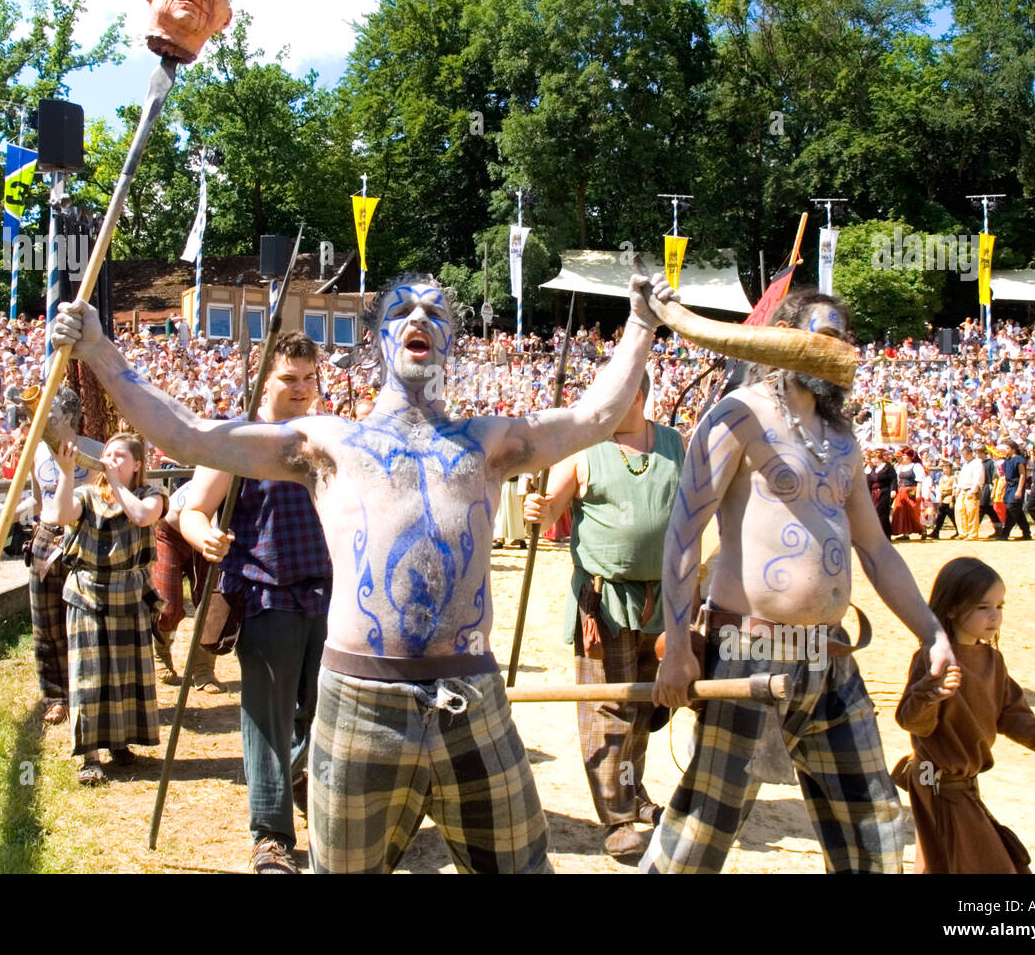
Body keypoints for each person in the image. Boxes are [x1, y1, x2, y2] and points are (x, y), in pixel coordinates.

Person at [50, 270, 674, 872]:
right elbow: (189, 436)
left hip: (472, 698)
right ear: (378, 338)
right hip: (360, 703)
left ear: (452, 342)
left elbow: (594, 415)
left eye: (436, 313)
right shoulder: (328, 444)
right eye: (404, 310)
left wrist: (641, 324)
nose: (420, 319)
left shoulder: (492, 443)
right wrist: (101, 350)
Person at [645, 288, 958, 874]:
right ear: (785, 339)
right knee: (701, 831)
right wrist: (678, 645)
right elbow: (684, 535)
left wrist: (931, 632)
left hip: (832, 660)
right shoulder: (738, 414)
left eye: (845, 338)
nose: (840, 349)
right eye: (824, 335)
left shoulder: (843, 438)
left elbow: (876, 547)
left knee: (875, 829)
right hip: (748, 656)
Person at [178, 332, 331, 875]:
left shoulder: (324, 437)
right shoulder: (238, 437)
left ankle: (297, 779)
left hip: (330, 596)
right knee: (266, 717)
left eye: (309, 378)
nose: (301, 389)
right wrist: (204, 537)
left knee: (324, 713)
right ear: (265, 378)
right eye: (290, 379)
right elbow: (192, 510)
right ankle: (271, 837)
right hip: (267, 593)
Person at [521, 367, 679, 861]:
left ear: (638, 396)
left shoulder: (676, 444)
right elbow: (550, 513)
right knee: (607, 709)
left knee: (645, 707)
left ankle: (634, 794)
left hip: (664, 601)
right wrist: (537, 507)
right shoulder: (583, 449)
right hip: (605, 602)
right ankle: (618, 817)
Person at [894, 557, 1035, 873]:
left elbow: (1012, 713)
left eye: (1000, 606)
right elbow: (912, 721)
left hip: (965, 785)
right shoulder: (932, 659)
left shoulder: (992, 661)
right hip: (937, 784)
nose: (994, 617)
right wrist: (933, 693)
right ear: (951, 608)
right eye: (982, 607)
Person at [50, 433, 165, 784]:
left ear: (137, 465)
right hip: (87, 592)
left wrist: (117, 484)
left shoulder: (151, 494)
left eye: (119, 456)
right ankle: (89, 757)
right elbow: (59, 515)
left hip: (129, 592)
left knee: (126, 673)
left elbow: (142, 517)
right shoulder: (86, 494)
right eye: (107, 455)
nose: (111, 460)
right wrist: (67, 473)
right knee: (90, 675)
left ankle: (120, 743)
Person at [27, 387, 103, 725]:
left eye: (50, 409)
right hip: (45, 540)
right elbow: (35, 502)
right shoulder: (35, 452)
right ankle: (56, 697)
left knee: (85, 624)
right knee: (47, 625)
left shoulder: (97, 453)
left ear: (68, 417)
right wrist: (1, 514)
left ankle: (88, 693)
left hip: (84, 542)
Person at [150, 482, 220, 689]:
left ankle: (204, 671)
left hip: (211, 538)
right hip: (171, 532)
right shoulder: (215, 479)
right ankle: (161, 656)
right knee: (167, 603)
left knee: (212, 604)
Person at [993, 440, 1031, 541]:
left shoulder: (1018, 460)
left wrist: (1019, 490)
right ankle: (1027, 533)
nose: (1005, 450)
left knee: (1011, 510)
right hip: (1009, 487)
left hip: (1016, 486)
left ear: (1013, 449)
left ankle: (1005, 533)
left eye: (1007, 448)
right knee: (1017, 512)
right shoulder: (1007, 461)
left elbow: (1022, 475)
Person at [957, 445, 984, 540]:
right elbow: (962, 477)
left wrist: (974, 490)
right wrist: (958, 488)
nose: (964, 457)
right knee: (960, 510)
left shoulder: (977, 463)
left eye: (965, 455)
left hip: (971, 489)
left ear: (970, 453)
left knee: (971, 512)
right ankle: (963, 532)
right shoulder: (965, 464)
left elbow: (978, 477)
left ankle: (972, 533)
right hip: (963, 489)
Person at [929, 461, 958, 539]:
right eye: (944, 468)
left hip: (949, 498)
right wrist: (940, 498)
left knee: (952, 516)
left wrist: (952, 500)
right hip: (943, 498)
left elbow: (953, 490)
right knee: (940, 516)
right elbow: (940, 489)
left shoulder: (953, 478)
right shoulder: (942, 478)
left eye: (947, 468)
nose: (945, 470)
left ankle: (959, 531)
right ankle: (936, 532)